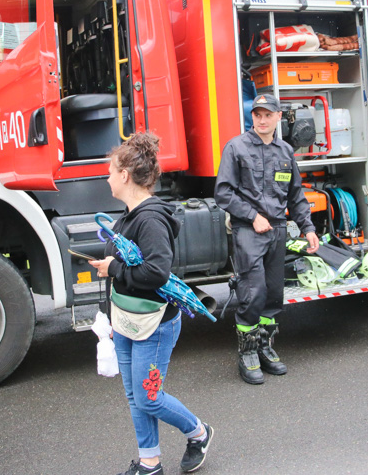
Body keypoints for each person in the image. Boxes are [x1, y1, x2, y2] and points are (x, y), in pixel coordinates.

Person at [89, 132, 213, 475]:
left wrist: (113, 268)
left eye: (111, 171)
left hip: (154, 324)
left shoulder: (150, 218)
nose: (108, 178)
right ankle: (150, 463)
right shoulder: (129, 216)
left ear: (125, 175)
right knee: (135, 397)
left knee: (148, 397)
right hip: (129, 320)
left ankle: (199, 433)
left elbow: (156, 273)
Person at [214, 93, 319, 385]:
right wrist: (251, 215)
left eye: (267, 115)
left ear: (277, 118)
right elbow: (223, 192)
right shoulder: (236, 148)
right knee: (253, 290)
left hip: (277, 230)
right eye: (257, 114)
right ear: (253, 117)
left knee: (273, 294)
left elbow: (296, 196)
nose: (262, 120)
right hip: (249, 229)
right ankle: (247, 355)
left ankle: (265, 348)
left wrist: (308, 228)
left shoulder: (286, 151)